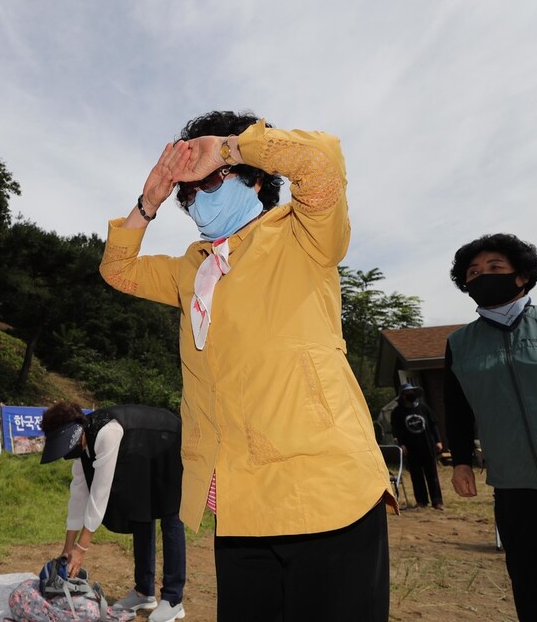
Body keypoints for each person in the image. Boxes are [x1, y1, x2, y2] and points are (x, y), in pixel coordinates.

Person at [98, 111, 394, 621]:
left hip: (327, 494)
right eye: (185, 194)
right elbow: (117, 269)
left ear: (256, 180)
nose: (194, 199)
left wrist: (229, 148)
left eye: (207, 181)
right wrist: (151, 201)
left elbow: (321, 160)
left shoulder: (303, 232)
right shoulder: (192, 267)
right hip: (239, 504)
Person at [444, 233, 537, 622]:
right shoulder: (459, 344)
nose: (482, 276)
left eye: (495, 268)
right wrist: (460, 461)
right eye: (473, 272)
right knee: (533, 583)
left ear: (521, 276)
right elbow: (456, 408)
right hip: (515, 486)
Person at [40, 402, 186, 622]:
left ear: (75, 432)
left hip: (166, 441)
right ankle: (144, 592)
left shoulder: (106, 432)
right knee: (140, 513)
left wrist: (81, 549)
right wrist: (68, 547)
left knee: (170, 515)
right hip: (139, 451)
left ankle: (173, 599)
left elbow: (100, 494)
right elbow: (79, 494)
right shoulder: (81, 447)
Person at [390, 383, 445, 509]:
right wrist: (401, 444)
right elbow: (396, 430)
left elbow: (433, 425)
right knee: (416, 477)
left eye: (412, 392)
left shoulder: (424, 408)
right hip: (411, 449)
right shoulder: (397, 412)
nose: (410, 395)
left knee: (432, 476)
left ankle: (437, 501)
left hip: (427, 446)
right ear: (402, 396)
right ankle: (421, 501)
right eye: (407, 393)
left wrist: (438, 441)